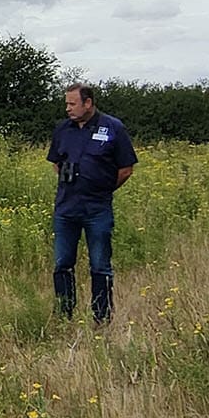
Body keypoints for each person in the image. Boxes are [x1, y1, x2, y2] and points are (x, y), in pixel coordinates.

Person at [46, 82, 137, 323]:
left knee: (100, 264)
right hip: (66, 208)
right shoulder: (63, 129)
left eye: (72, 103)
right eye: (66, 103)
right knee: (62, 263)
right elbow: (55, 162)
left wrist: (102, 188)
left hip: (97, 208)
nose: (68, 108)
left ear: (88, 103)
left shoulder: (113, 127)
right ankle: (64, 314)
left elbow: (126, 169)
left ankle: (101, 317)